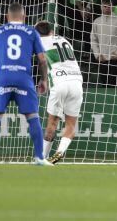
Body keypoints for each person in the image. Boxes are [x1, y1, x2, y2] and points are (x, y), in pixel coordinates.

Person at [0, 2, 52, 166]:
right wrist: (44, 80)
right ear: (24, 16)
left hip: (3, 78)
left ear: (7, 16)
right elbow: (42, 60)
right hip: (24, 79)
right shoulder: (32, 32)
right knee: (32, 117)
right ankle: (39, 158)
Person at [36, 20, 83, 164]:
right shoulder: (64, 40)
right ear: (51, 31)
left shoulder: (39, 42)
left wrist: (43, 79)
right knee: (71, 125)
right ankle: (59, 153)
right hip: (76, 82)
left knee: (52, 123)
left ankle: (42, 158)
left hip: (59, 83)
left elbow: (42, 61)